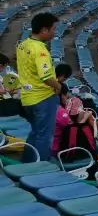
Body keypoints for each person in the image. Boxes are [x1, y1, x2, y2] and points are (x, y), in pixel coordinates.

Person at [17, 13, 62, 162]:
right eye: (53, 29)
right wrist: (58, 86)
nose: (55, 32)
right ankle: (41, 167)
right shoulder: (40, 50)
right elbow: (46, 77)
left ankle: (28, 161)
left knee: (35, 132)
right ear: (44, 30)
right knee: (45, 136)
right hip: (42, 98)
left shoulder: (22, 45)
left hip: (27, 97)